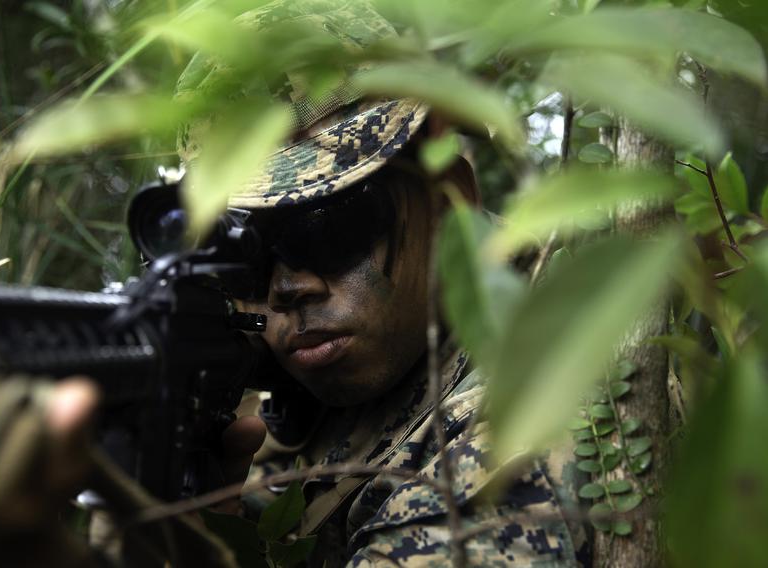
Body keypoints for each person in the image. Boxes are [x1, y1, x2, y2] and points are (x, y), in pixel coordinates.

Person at [173, 1, 589, 566]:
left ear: (451, 203)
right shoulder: (315, 389)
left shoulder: (531, 413)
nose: (287, 287)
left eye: (327, 225)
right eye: (242, 249)